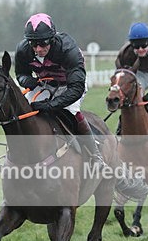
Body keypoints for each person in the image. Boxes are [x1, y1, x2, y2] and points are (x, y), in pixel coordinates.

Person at [14, 13, 106, 170]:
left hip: (69, 86)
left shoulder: (68, 49)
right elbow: (21, 74)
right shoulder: (23, 50)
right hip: (44, 85)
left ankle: (95, 155)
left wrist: (50, 105)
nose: (38, 49)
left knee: (70, 111)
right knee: (23, 112)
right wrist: (30, 81)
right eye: (33, 44)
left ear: (52, 38)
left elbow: (76, 89)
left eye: (43, 43)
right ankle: (16, 154)